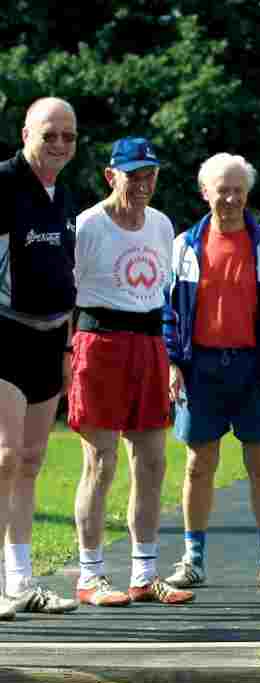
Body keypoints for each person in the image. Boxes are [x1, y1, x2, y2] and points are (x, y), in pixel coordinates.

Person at [163, 153, 260, 589]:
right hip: (200, 368)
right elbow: (167, 313)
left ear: (247, 195)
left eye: (238, 191)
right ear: (204, 191)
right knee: (198, 464)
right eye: (221, 190)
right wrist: (173, 361)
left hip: (256, 369)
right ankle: (192, 560)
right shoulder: (182, 246)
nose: (229, 199)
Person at [70, 137, 193, 606]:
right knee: (101, 463)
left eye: (150, 174)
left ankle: (144, 574)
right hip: (98, 343)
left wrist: (170, 359)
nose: (143, 183)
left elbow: (162, 296)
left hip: (149, 345)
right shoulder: (86, 226)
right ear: (111, 175)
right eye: (133, 174)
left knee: (154, 462)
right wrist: (66, 356)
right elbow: (67, 297)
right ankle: (90, 576)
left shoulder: (162, 225)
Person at [0, 98, 83, 619]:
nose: (58, 144)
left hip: (50, 339)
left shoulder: (66, 197)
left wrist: (70, 345)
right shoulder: (2, 182)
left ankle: (22, 580)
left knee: (31, 462)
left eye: (68, 137)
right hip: (3, 332)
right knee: (4, 458)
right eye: (49, 134)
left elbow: (70, 277)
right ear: (26, 132)